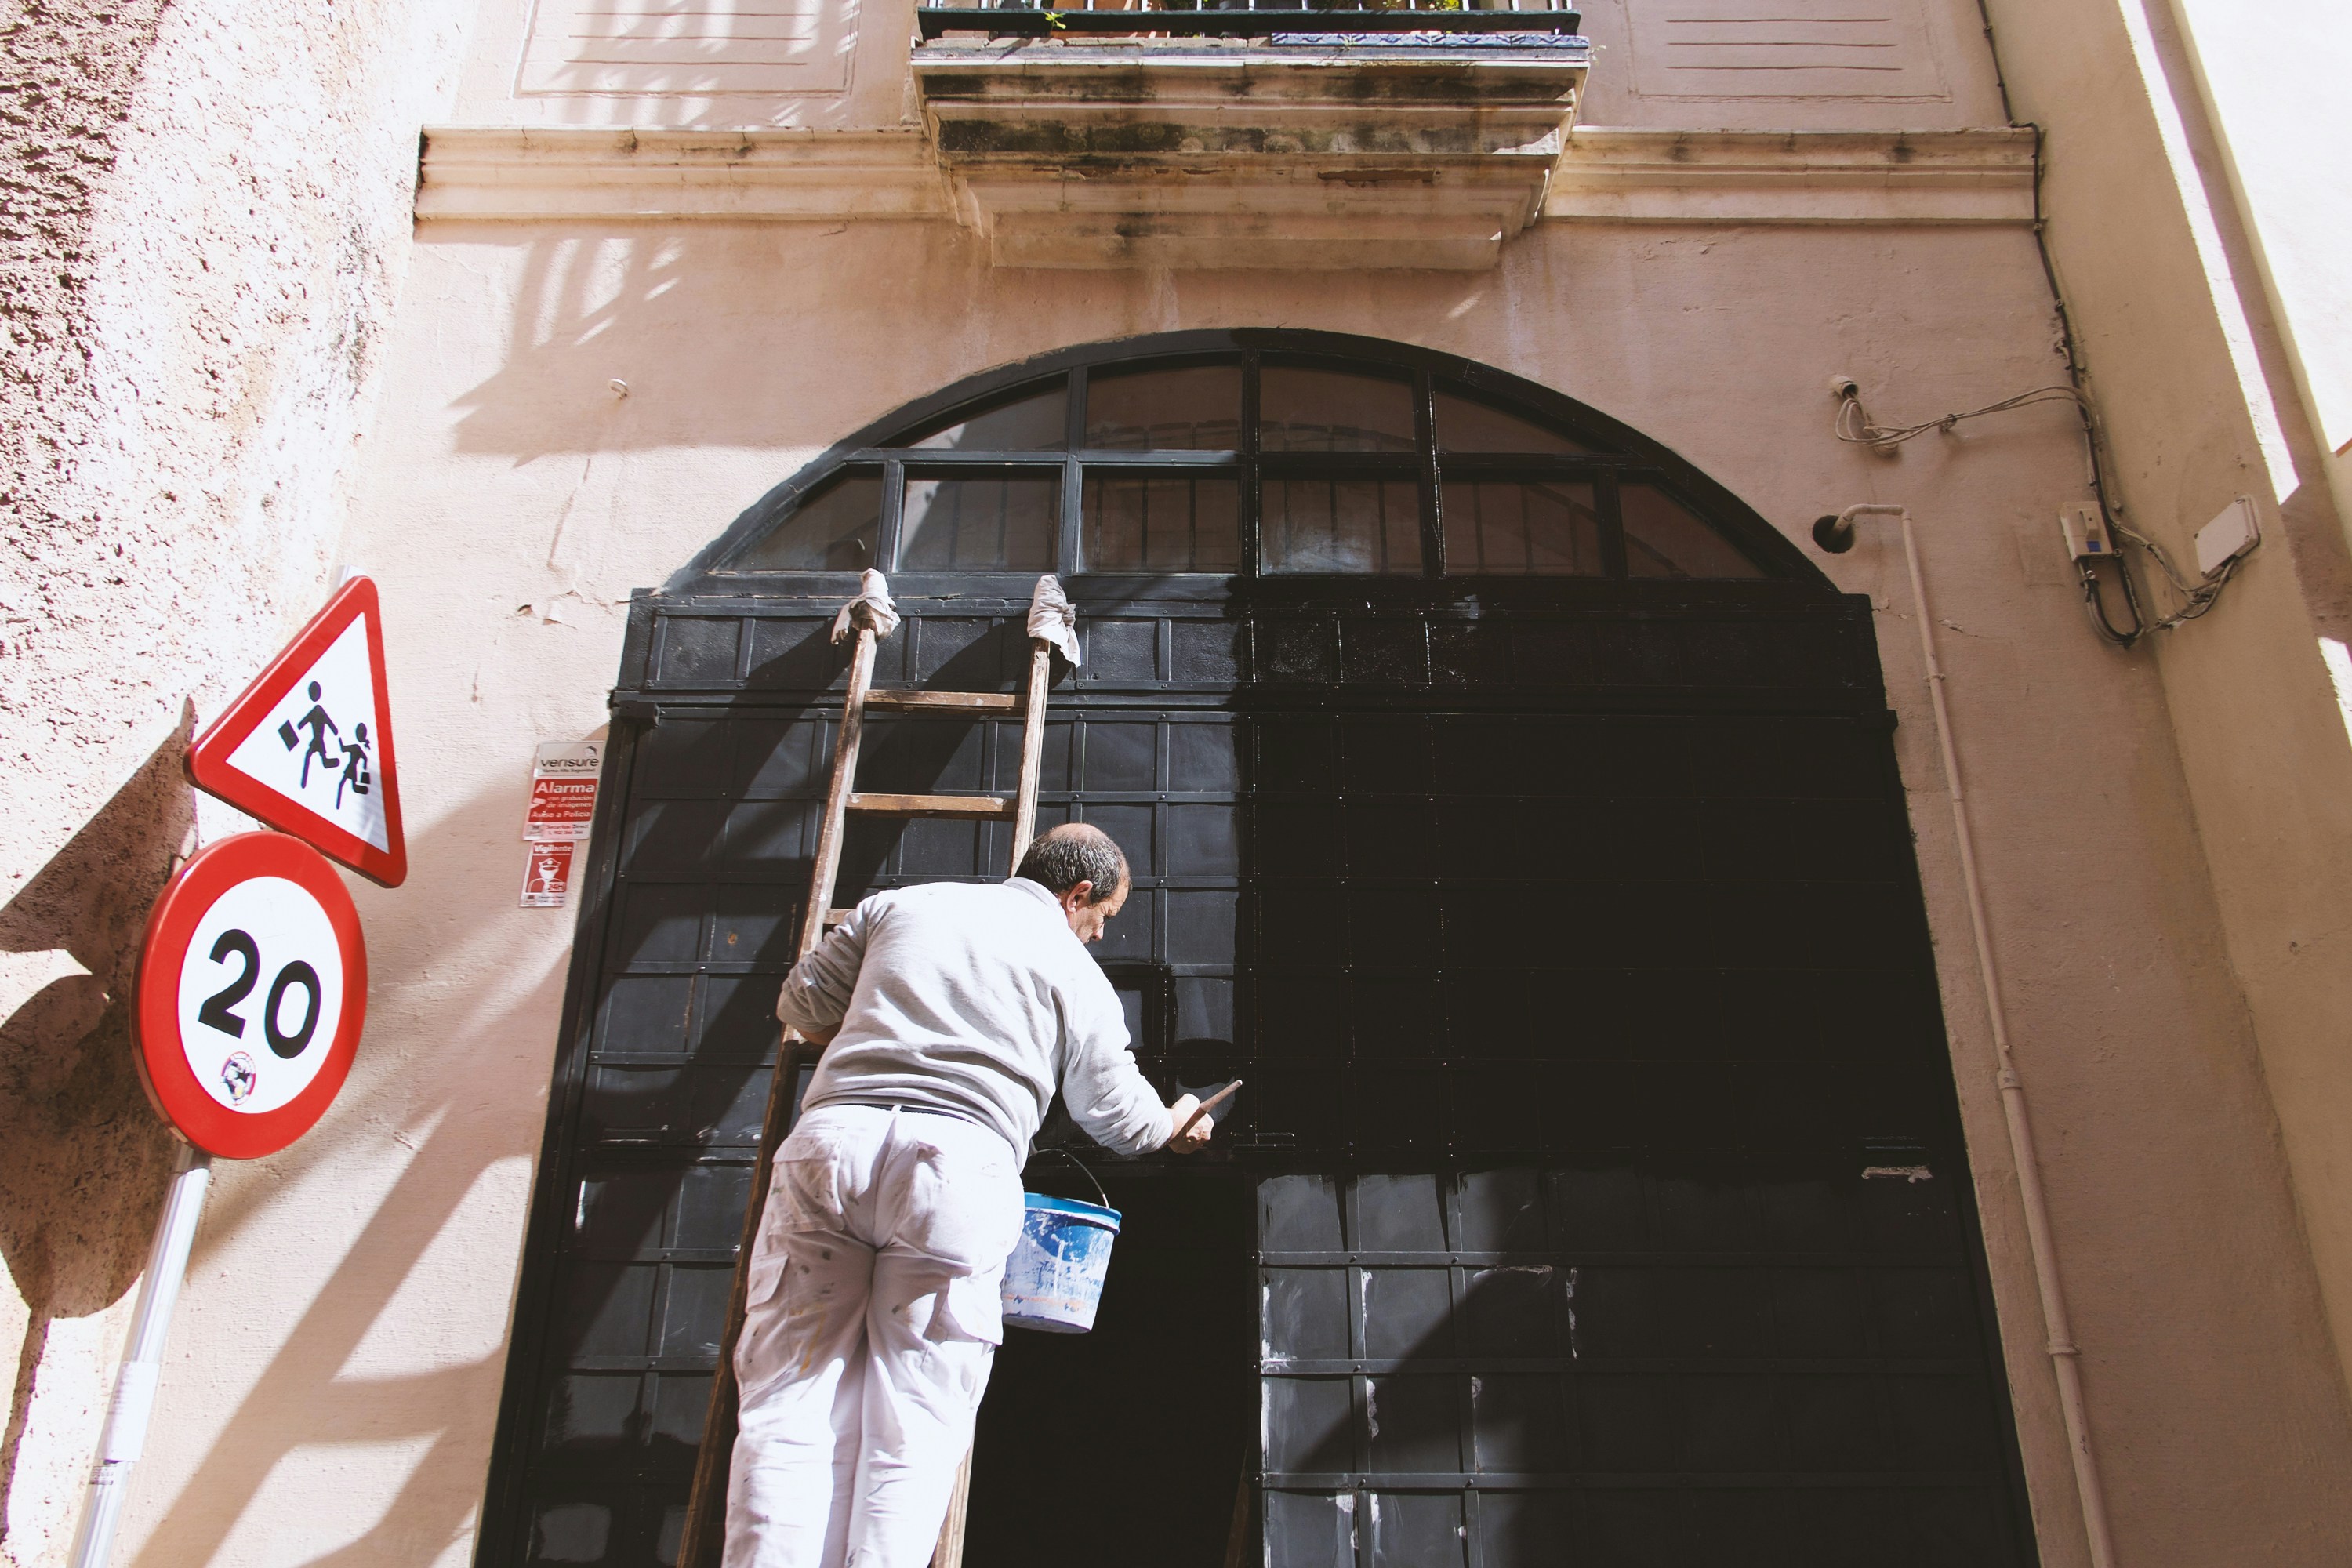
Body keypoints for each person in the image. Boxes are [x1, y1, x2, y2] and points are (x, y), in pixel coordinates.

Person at [725, 822, 1215, 1568]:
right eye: (1102, 918)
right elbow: (1118, 1117)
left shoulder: (899, 906)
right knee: (912, 1428)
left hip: (833, 1146)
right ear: (1076, 893)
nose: (1097, 935)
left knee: (787, 1402)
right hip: (957, 1170)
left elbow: (802, 1005)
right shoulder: (1074, 971)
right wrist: (1176, 1124)